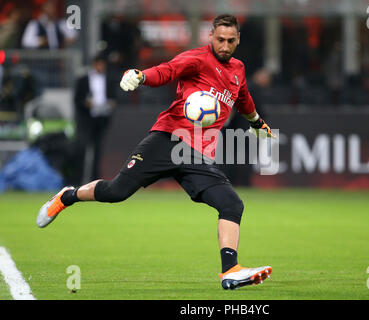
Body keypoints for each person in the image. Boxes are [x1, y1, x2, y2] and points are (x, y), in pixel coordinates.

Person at [36, 14, 274, 290]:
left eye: (230, 41)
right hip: (167, 140)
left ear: (238, 40)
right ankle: (68, 196)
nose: (224, 45)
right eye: (220, 39)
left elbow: (243, 100)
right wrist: (140, 76)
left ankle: (230, 270)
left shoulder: (238, 70)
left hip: (195, 156)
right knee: (116, 192)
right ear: (210, 36)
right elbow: (166, 71)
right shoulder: (196, 58)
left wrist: (258, 123)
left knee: (232, 204)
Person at [73, 54, 116, 184]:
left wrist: (111, 104)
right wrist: (86, 104)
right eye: (100, 64)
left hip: (101, 119)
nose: (102, 67)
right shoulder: (83, 79)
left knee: (98, 151)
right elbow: (77, 99)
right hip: (86, 120)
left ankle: (94, 181)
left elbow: (113, 97)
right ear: (94, 64)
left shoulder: (108, 79)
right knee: (82, 149)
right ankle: (77, 181)